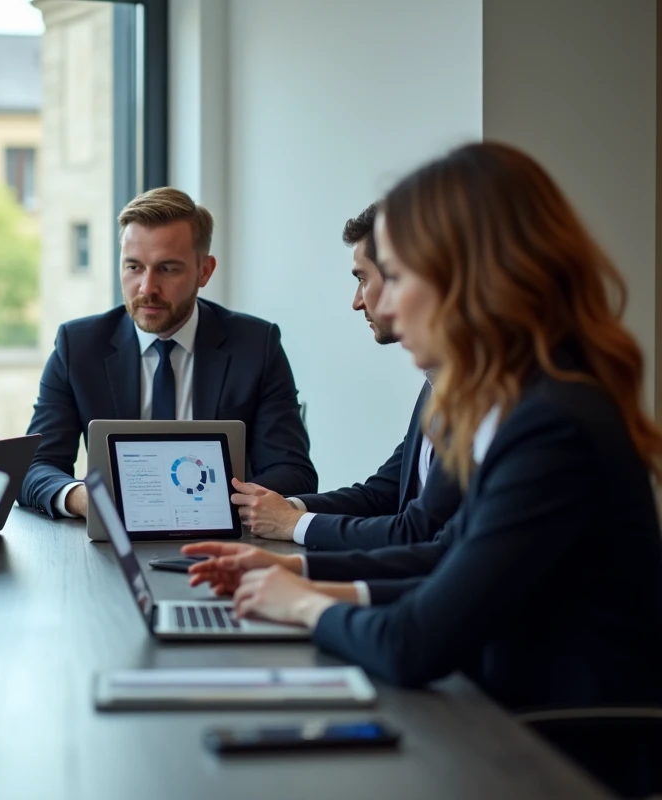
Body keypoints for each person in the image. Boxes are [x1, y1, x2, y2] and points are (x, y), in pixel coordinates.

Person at [188, 142, 662, 711]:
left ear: (466, 278)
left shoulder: (551, 425)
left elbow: (415, 642)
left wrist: (302, 603)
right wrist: (297, 572)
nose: (384, 306)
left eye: (396, 276)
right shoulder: (517, 403)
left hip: (549, 746)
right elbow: (442, 558)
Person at [19, 187, 317, 520]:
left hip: (223, 536)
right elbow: (33, 467)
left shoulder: (256, 345)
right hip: (114, 538)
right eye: (134, 267)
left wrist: (203, 502)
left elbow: (294, 472)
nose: (147, 288)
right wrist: (83, 498)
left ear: (204, 271)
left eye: (168, 269)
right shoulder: (78, 346)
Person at [230, 203, 462, 552]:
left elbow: (418, 531)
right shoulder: (435, 382)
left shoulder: (476, 393)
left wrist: (292, 524)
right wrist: (286, 509)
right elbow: (382, 493)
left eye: (362, 279)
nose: (357, 301)